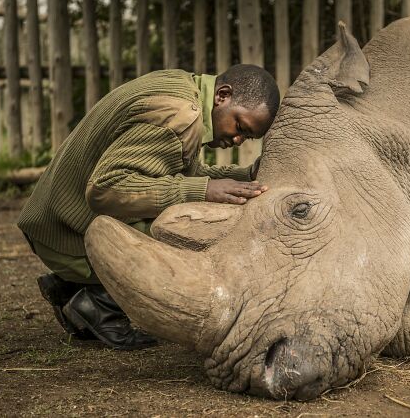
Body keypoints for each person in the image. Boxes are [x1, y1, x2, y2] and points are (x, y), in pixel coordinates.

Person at [17, 65, 280, 350]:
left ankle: (76, 287)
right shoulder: (179, 116)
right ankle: (96, 301)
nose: (238, 139)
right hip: (65, 233)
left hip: (54, 220)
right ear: (223, 96)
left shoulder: (183, 89)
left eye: (248, 137)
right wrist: (202, 191)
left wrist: (246, 176)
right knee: (195, 234)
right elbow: (105, 189)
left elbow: (178, 173)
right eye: (240, 126)